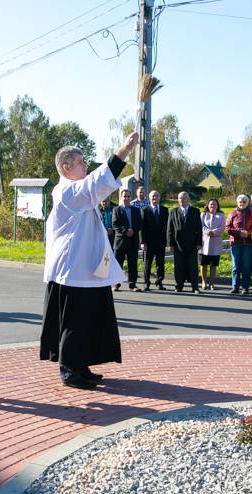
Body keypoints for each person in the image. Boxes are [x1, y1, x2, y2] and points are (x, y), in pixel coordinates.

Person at [40, 132, 140, 389]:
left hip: (88, 270)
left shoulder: (75, 191)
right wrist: (124, 149)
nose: (85, 165)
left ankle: (81, 364)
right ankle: (69, 369)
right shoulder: (66, 192)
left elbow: (94, 187)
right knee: (74, 322)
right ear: (66, 167)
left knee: (89, 320)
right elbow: (95, 184)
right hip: (72, 270)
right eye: (80, 162)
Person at [167, 191, 203, 293]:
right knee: (179, 267)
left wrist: (199, 243)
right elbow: (169, 229)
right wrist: (170, 244)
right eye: (179, 198)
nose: (181, 200)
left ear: (188, 199)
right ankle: (179, 286)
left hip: (192, 244)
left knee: (193, 267)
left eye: (183, 198)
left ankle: (195, 287)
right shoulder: (173, 212)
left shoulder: (195, 211)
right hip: (178, 245)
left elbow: (199, 229)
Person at [112, 189, 142, 292]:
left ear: (131, 197)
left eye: (128, 196)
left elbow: (139, 223)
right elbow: (115, 224)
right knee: (118, 264)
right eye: (124, 196)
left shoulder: (136, 210)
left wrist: (133, 230)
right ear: (121, 197)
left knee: (132, 264)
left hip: (133, 241)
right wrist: (126, 231)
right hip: (120, 241)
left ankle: (132, 285)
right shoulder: (116, 210)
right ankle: (116, 284)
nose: (126, 198)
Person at [226, 194, 252, 294]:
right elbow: (227, 228)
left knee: (246, 266)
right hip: (236, 243)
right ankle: (235, 286)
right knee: (235, 266)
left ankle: (245, 287)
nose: (242, 203)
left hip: (248, 243)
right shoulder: (232, 213)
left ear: (248, 203)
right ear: (237, 202)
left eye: (244, 201)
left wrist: (248, 233)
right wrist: (239, 233)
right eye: (240, 201)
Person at [140, 189, 168, 291]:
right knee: (147, 263)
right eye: (152, 196)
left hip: (161, 242)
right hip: (148, 242)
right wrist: (142, 242)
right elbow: (141, 228)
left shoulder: (165, 210)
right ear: (149, 198)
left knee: (160, 264)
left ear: (159, 198)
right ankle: (146, 283)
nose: (154, 198)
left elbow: (167, 227)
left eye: (156, 196)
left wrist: (168, 242)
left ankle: (159, 282)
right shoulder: (144, 210)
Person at [200, 198, 225, 290]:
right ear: (208, 205)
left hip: (215, 243)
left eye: (214, 204)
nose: (212, 206)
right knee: (203, 264)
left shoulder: (221, 215)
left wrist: (214, 232)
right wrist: (208, 232)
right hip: (204, 243)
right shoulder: (203, 214)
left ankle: (211, 283)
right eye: (211, 204)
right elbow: (200, 225)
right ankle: (204, 281)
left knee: (213, 265)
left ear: (217, 206)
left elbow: (222, 227)